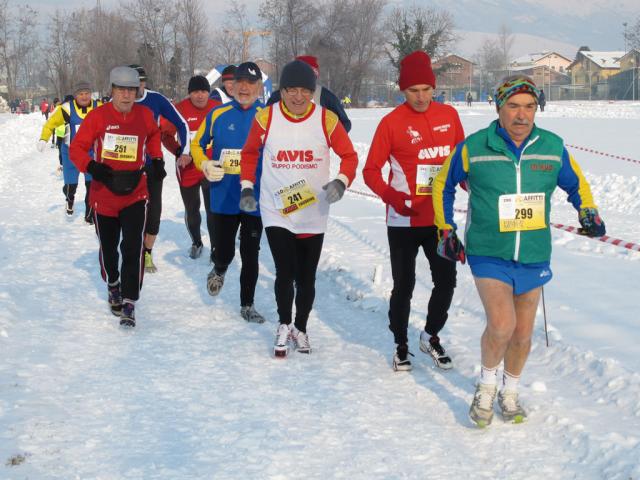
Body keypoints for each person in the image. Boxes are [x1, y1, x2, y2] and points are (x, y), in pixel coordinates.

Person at [432, 74, 606, 427]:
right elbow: (442, 184)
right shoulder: (475, 146)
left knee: (523, 334)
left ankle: (509, 392)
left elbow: (578, 185)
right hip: (489, 251)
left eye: (529, 107)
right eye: (513, 106)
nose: (522, 115)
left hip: (533, 252)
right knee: (502, 325)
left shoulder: (552, 147)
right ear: (499, 108)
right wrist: (445, 228)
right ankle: (485, 388)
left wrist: (587, 212)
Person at [240, 59, 358, 356]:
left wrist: (341, 182)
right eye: (290, 90)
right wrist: (246, 186)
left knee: (306, 276)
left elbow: (349, 156)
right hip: (275, 207)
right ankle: (283, 324)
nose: (297, 97)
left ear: (312, 91)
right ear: (282, 91)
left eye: (304, 90)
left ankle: (301, 328)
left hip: (312, 210)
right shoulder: (266, 118)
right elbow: (250, 153)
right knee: (284, 270)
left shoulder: (326, 119)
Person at [363, 50, 465, 372]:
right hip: (403, 220)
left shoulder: (449, 116)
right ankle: (400, 344)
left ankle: (431, 336)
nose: (420, 97)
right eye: (412, 91)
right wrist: (392, 196)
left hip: (439, 219)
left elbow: (461, 166)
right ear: (402, 91)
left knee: (447, 281)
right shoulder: (391, 123)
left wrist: (474, 186)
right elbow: (370, 171)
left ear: (434, 88)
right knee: (403, 286)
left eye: (425, 90)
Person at [69, 66, 164, 327]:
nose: (126, 96)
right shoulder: (99, 117)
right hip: (105, 195)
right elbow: (76, 148)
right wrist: (92, 167)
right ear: (112, 91)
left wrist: (156, 158)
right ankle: (113, 283)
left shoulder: (144, 115)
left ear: (137, 91)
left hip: (135, 192)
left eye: (131, 90)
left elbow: (154, 135)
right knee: (109, 249)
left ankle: (130, 301)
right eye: (121, 90)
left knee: (133, 247)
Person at [191, 62, 267, 323]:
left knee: (250, 252)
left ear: (259, 87)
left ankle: (247, 304)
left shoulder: (269, 116)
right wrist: (204, 163)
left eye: (251, 83)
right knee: (224, 251)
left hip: (255, 199)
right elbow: (197, 144)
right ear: (231, 85)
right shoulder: (217, 114)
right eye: (240, 82)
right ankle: (219, 268)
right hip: (223, 195)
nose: (244, 87)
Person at [129, 64, 191, 273]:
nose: (138, 85)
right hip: (127, 166)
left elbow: (182, 123)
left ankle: (147, 252)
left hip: (153, 163)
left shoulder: (156, 100)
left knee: (154, 211)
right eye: (134, 81)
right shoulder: (118, 102)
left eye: (142, 81)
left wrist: (185, 151)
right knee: (130, 211)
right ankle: (131, 250)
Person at [161, 75, 219, 260]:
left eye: (203, 91)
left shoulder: (217, 109)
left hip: (210, 167)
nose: (200, 96)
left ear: (208, 93)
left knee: (213, 210)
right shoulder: (179, 109)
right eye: (195, 92)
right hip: (188, 169)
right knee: (192, 209)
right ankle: (196, 242)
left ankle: (216, 247)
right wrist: (179, 151)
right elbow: (166, 135)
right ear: (189, 93)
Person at [37, 82, 101, 223]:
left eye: (87, 93)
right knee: (71, 186)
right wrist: (44, 138)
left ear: (91, 94)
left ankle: (89, 215)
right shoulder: (66, 109)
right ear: (75, 95)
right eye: (80, 94)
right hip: (70, 153)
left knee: (92, 186)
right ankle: (69, 198)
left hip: (91, 153)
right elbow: (51, 123)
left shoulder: (99, 107)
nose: (84, 97)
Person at [266, 55, 351, 132]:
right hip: (284, 146)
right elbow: (265, 122)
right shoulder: (279, 95)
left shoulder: (324, 95)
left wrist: (326, 138)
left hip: (314, 147)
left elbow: (344, 123)